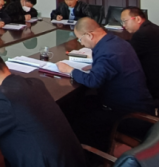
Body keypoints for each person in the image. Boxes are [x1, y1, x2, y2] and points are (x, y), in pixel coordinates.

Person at [56, 18, 154, 152]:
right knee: (79, 104)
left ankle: (94, 157)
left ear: (89, 35)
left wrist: (70, 70)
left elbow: (94, 81)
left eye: (80, 39)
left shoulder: (107, 51)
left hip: (130, 115)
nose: (81, 43)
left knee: (78, 120)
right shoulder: (115, 42)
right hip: (138, 103)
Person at [121, 7, 159, 98]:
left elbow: (128, 57)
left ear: (137, 19)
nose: (123, 25)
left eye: (125, 21)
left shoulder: (142, 34)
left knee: (119, 79)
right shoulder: (151, 28)